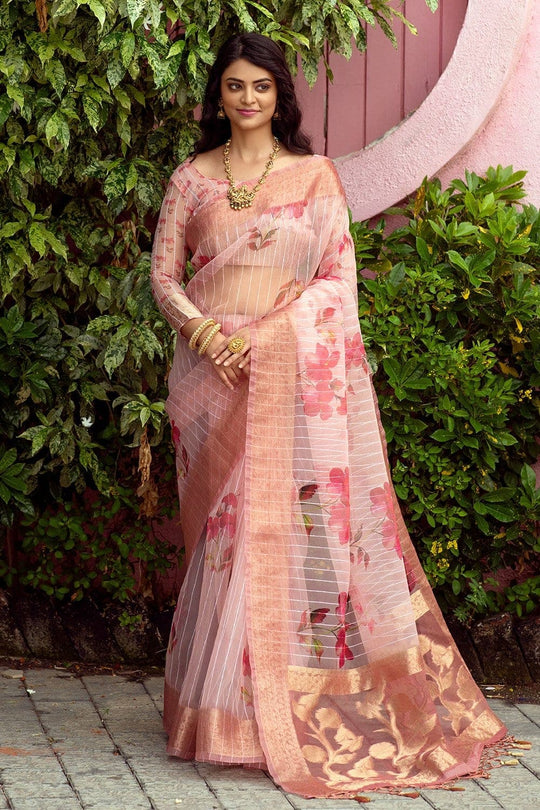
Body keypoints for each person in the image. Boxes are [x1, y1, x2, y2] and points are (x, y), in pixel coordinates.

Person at [151, 32, 511, 799]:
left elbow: (337, 278)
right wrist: (208, 335)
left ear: (280, 97)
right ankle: (221, 711)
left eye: (262, 88)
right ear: (217, 94)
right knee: (225, 544)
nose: (248, 100)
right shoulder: (192, 180)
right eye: (235, 86)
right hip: (215, 383)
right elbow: (164, 279)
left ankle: (272, 716)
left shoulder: (314, 177)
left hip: (287, 382)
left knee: (273, 537)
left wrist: (272, 340)